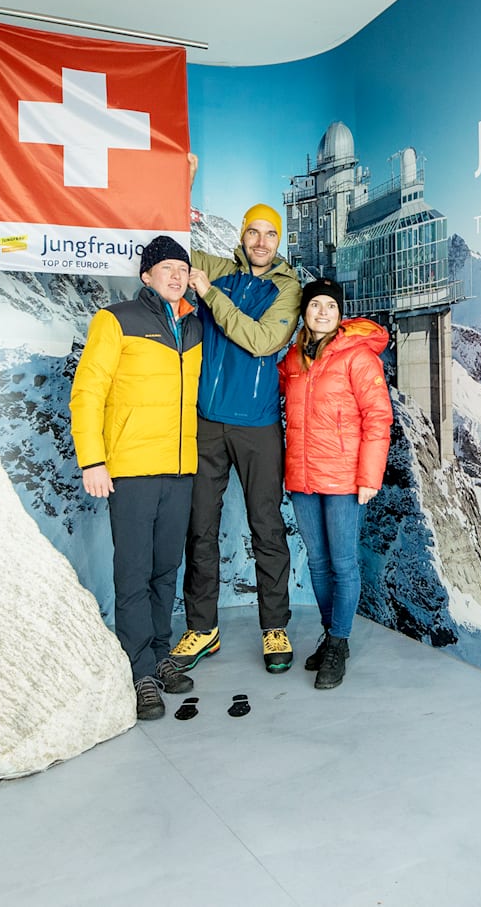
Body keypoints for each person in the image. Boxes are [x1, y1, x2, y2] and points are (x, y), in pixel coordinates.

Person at [68, 235, 203, 721]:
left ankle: (159, 654)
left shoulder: (192, 325)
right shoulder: (116, 320)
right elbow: (87, 392)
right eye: (165, 267)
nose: (175, 275)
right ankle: (138, 668)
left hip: (180, 466)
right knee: (133, 571)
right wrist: (92, 460)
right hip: (130, 468)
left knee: (166, 568)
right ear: (146, 275)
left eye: (181, 268)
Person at [167, 202, 304, 676]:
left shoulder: (287, 289)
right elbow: (171, 246)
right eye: (253, 232)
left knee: (266, 526)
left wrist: (210, 296)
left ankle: (275, 626)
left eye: (270, 234)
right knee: (199, 525)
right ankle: (203, 627)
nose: (261, 242)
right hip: (207, 421)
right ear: (243, 236)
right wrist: (180, 185)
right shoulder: (219, 268)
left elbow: (263, 340)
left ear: (279, 240)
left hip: (258, 424)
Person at [277, 278, 391, 689]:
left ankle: (339, 643)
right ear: (304, 312)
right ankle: (330, 633)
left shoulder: (358, 358)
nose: (322, 311)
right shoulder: (293, 359)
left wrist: (369, 477)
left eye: (330, 305)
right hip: (303, 478)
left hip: (344, 479)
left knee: (343, 564)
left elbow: (378, 419)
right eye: (315, 305)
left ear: (339, 314)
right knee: (318, 563)